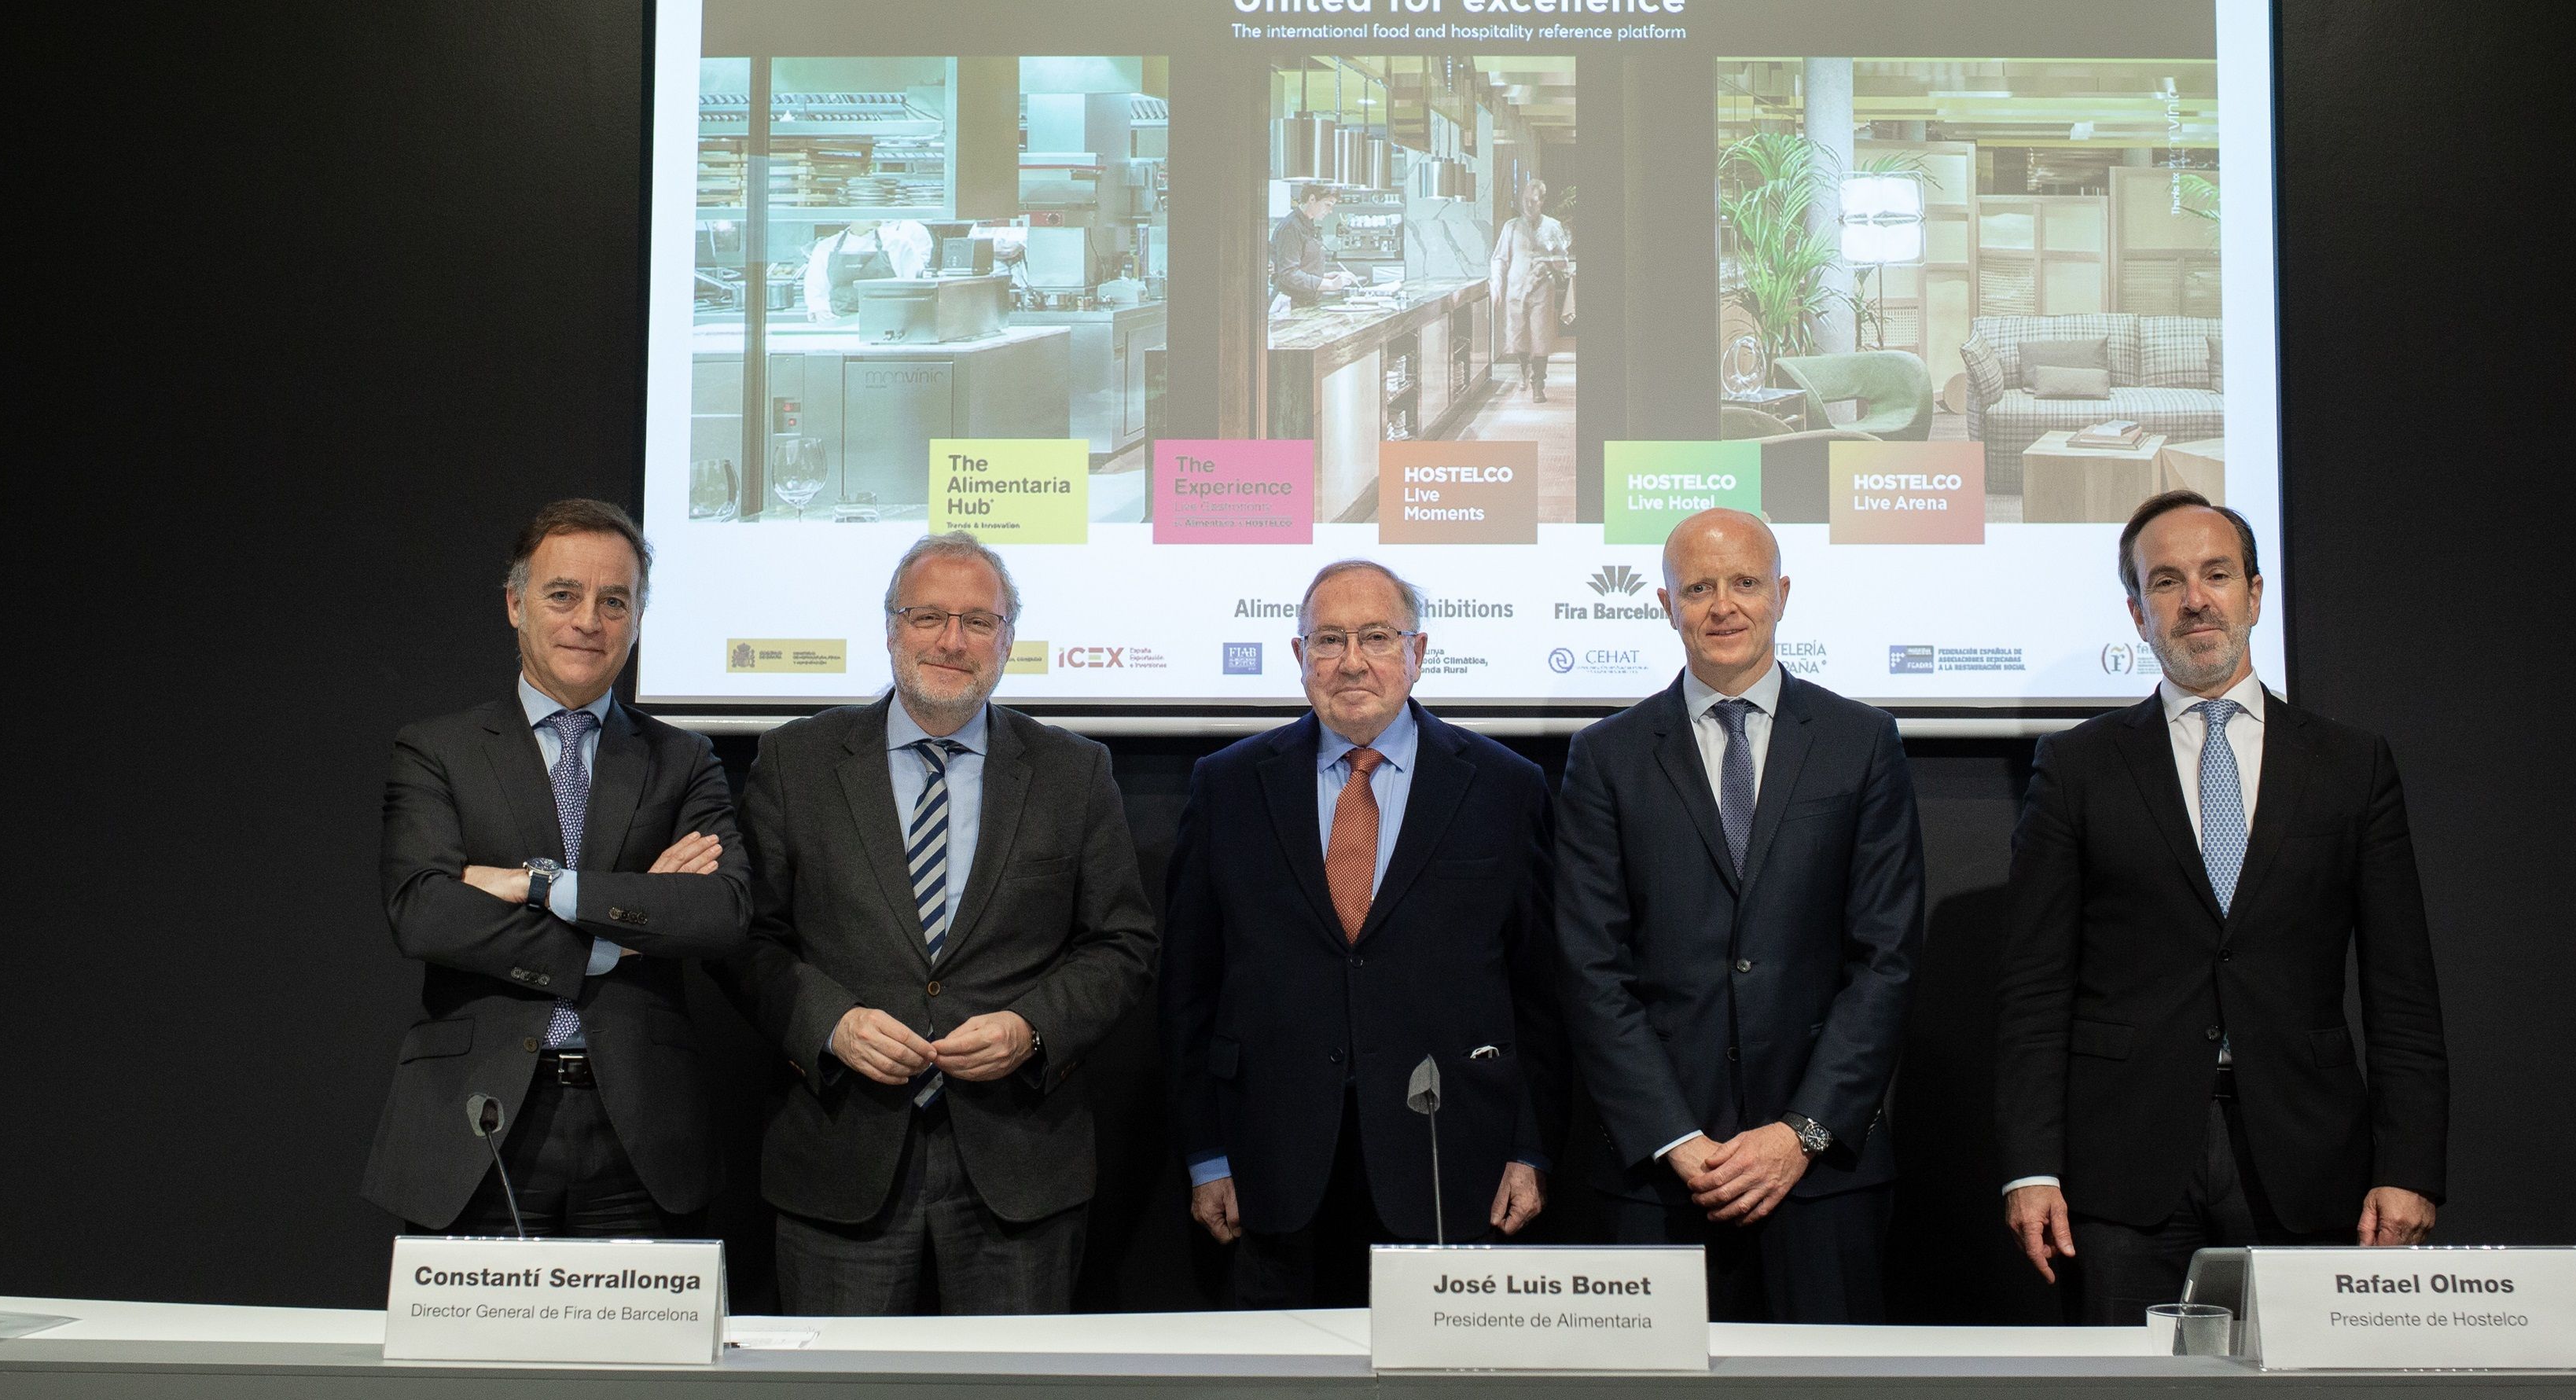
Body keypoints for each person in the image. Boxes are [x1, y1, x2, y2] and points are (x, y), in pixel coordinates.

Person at [1994, 491, 2450, 1325]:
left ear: (2254, 593)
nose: (2193, 598)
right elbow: (2032, 988)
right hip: (2121, 1165)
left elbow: (2402, 989)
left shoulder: (2350, 766)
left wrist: (2410, 1165)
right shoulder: (2077, 768)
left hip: (2306, 1159)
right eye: (2164, 582)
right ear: (2136, 613)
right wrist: (2031, 1166)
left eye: (2215, 574)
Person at [723, 532, 1157, 1314]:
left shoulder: (1073, 770)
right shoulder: (797, 762)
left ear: (1008, 642)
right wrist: (833, 1023)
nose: (951, 641)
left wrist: (1030, 1028)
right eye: (927, 617)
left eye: (977, 622)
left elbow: (1122, 945)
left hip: (1019, 1165)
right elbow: (748, 936)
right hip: (841, 1154)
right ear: (891, 629)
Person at [1555, 508, 1924, 1321]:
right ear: (1665, 605)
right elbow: (1590, 969)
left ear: (1781, 594)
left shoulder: (1860, 742)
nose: (1723, 605)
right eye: (1698, 587)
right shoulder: (1606, 756)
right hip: (1656, 1182)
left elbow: (1887, 957)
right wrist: (1676, 1138)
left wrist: (1802, 1132)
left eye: (1745, 583)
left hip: (1824, 1173)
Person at [1163, 560, 1566, 1307]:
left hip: (1453, 1157)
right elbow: (1189, 990)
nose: (1352, 661)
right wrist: (1206, 1154)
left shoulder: (1506, 786)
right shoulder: (1226, 785)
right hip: (1269, 1166)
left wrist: (1530, 1147)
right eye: (1329, 639)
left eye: (1376, 637)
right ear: (1298, 657)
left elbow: (1541, 990)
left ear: (1418, 652)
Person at [372, 498, 749, 1236]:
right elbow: (425, 913)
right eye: (563, 595)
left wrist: (539, 886)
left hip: (642, 1132)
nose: (589, 621)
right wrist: (630, 923)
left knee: (639, 1357)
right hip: (474, 1125)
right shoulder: (436, 750)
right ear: (516, 605)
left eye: (616, 601)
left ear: (639, 617)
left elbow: (720, 914)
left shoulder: (684, 758)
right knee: (472, 1356)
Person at [1489, 177, 1574, 402]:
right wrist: (1496, 284)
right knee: (1518, 336)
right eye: (1525, 200)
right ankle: (1523, 370)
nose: (1528, 205)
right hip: (1516, 289)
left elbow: (1563, 258)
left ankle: (1539, 384)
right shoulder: (1512, 227)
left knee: (1541, 336)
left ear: (1542, 201)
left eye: (1533, 201)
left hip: (1542, 289)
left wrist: (1557, 262)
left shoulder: (1553, 227)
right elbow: (1499, 258)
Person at [803, 219, 931, 322]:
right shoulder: (826, 247)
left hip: (890, 324)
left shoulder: (900, 244)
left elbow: (917, 288)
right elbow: (815, 287)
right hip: (839, 323)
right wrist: (820, 310)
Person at [1270, 182, 1352, 307]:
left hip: (1306, 302)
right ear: (1312, 199)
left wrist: (1325, 277)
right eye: (1328, 205)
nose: (1330, 211)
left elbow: (1303, 267)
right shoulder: (1291, 227)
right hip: (1290, 304)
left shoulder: (1308, 224)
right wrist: (1331, 285)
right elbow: (1289, 274)